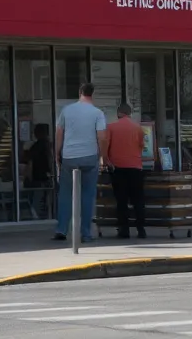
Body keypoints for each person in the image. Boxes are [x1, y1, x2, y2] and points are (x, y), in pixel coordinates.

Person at [53, 83, 107, 242]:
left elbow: (59, 134)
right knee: (88, 195)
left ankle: (61, 229)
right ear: (92, 94)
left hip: (69, 156)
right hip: (89, 156)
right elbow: (102, 137)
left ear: (79, 93)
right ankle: (86, 233)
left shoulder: (66, 110)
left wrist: (57, 153)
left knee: (65, 194)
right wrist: (102, 155)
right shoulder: (97, 113)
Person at [104, 103, 147, 238]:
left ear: (118, 113)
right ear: (130, 113)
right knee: (138, 200)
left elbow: (106, 146)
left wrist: (107, 161)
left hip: (118, 168)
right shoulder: (138, 128)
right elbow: (142, 146)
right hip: (135, 167)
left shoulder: (111, 127)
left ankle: (124, 230)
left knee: (121, 200)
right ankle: (141, 229)